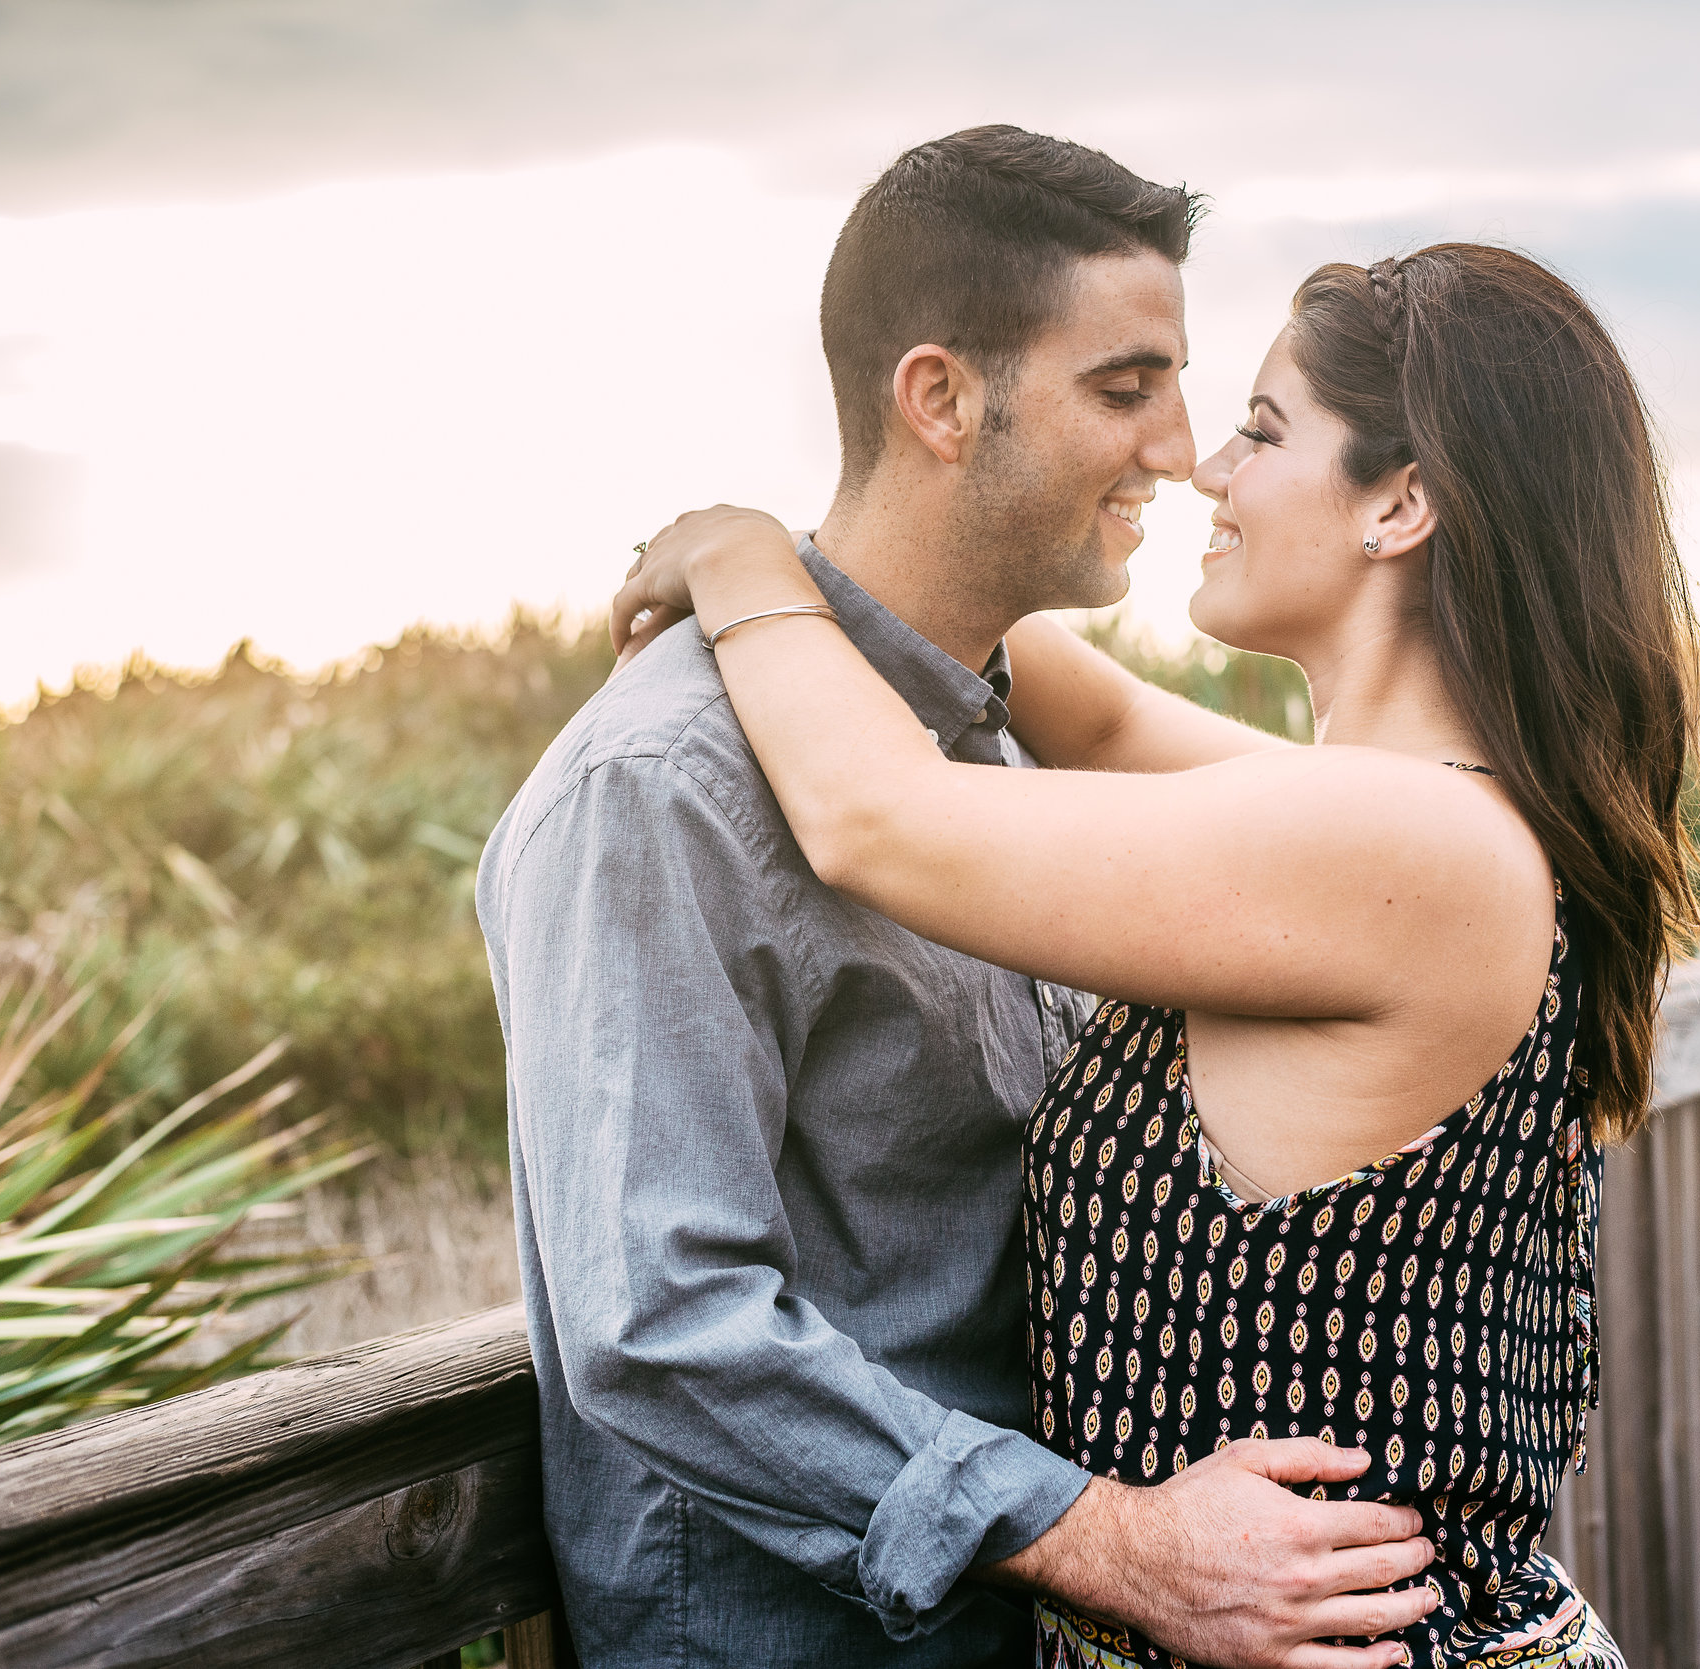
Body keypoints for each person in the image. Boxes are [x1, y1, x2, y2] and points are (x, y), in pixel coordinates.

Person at [611, 241, 1700, 1668]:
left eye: (1265, 430)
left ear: (1400, 501)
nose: (1209, 467)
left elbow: (877, 820)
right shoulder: (1414, 814)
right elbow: (1111, 723)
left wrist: (735, 549)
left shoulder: (1403, 843)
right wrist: (932, 536)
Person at [478, 127, 1442, 1669]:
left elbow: (938, 711)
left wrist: (745, 551)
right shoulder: (663, 786)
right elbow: (658, 1323)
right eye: (1126, 388)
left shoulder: (988, 730)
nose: (1182, 450)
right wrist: (1112, 1540)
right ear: (939, 397)